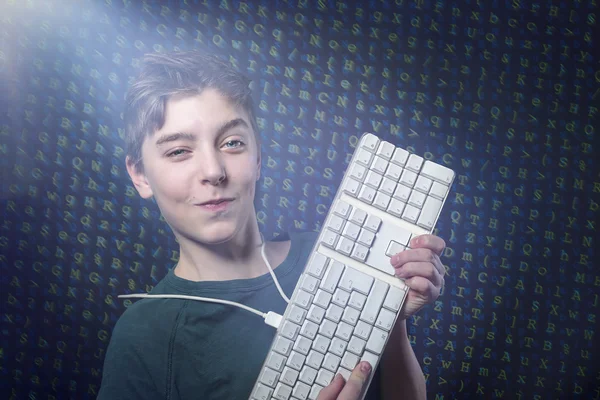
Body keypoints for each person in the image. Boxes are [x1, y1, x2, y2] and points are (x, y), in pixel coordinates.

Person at [98, 50, 446, 400]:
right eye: (178, 151)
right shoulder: (142, 335)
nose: (213, 171)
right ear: (140, 175)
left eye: (232, 143)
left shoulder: (335, 253)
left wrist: (391, 318)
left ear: (259, 156)